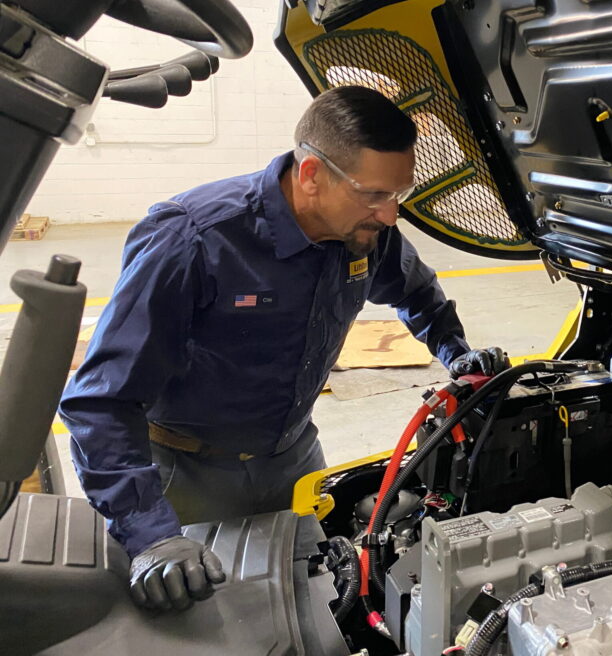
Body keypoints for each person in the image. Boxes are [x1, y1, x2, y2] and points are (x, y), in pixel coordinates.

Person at [58, 86, 508, 612]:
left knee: (318, 607)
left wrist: (457, 353)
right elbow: (100, 402)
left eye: (398, 195)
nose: (390, 216)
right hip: (184, 474)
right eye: (373, 195)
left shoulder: (365, 231)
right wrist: (150, 534)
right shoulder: (195, 239)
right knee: (198, 623)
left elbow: (417, 293)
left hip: (294, 459)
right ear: (312, 174)